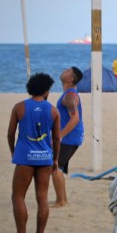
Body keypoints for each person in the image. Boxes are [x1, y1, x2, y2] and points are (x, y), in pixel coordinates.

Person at [7, 73, 60, 233]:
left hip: (25, 158)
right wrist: (55, 159)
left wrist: (14, 151)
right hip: (45, 158)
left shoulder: (19, 107)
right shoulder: (53, 110)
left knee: (18, 196)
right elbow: (57, 138)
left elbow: (10, 134)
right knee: (42, 197)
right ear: (46, 90)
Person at [51, 67, 83, 208]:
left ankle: (61, 201)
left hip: (69, 137)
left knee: (55, 167)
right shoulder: (68, 94)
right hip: (71, 136)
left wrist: (59, 136)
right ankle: (62, 199)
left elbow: (75, 118)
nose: (63, 70)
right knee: (58, 167)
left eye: (67, 70)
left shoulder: (70, 96)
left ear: (70, 79)